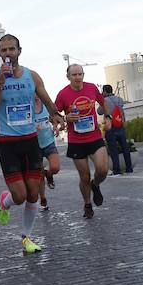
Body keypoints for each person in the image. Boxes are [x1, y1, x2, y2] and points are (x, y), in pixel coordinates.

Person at [0, 34, 65, 255]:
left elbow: (47, 99)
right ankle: (5, 202)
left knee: (33, 194)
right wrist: (1, 83)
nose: (8, 53)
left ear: (19, 51)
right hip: (7, 143)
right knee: (19, 196)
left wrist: (55, 115)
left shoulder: (32, 76)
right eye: (4, 50)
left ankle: (26, 237)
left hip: (31, 141)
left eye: (12, 49)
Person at [55, 64, 111, 220]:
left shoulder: (91, 88)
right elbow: (53, 113)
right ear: (68, 77)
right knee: (84, 176)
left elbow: (103, 102)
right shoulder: (63, 94)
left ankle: (96, 185)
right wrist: (65, 118)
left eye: (80, 74)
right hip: (76, 140)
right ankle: (87, 204)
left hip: (94, 137)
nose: (78, 77)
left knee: (103, 169)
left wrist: (108, 117)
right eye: (74, 75)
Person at [34, 95, 61, 212]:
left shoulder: (46, 104)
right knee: (39, 177)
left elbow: (53, 118)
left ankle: (49, 175)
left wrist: (55, 127)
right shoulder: (27, 105)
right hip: (34, 145)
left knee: (55, 167)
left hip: (48, 141)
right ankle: (43, 198)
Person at [102, 84, 133, 175]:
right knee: (125, 147)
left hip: (110, 127)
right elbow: (121, 109)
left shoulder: (104, 101)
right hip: (120, 125)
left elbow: (99, 111)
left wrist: (101, 99)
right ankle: (129, 168)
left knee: (113, 149)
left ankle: (116, 170)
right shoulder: (119, 99)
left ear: (104, 91)